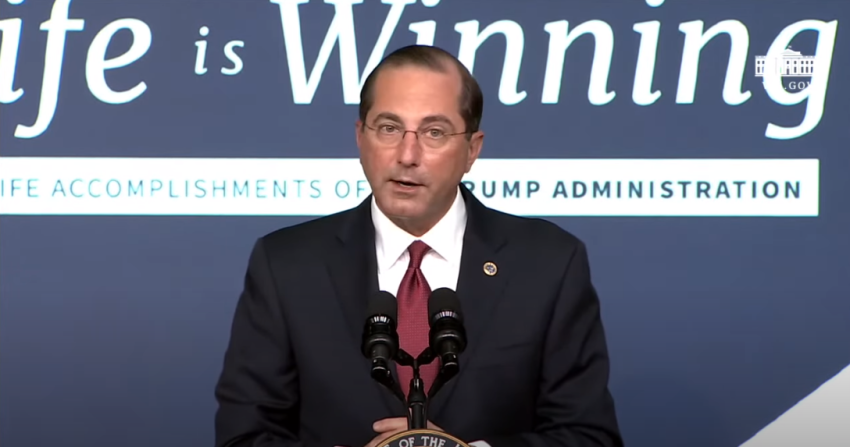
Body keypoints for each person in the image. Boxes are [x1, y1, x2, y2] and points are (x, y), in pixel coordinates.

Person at [213, 44, 623, 447]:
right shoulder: (287, 265)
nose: (407, 155)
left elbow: (589, 435)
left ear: (472, 150)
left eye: (434, 132)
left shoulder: (548, 263)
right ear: (360, 137)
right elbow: (244, 434)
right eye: (389, 128)